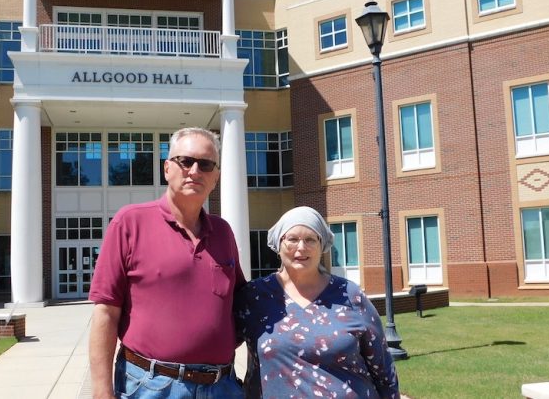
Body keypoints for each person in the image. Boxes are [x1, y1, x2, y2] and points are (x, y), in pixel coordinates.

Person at [88, 127, 246, 399]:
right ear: (167, 169)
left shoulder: (223, 232)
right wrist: (102, 392)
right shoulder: (130, 223)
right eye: (185, 161)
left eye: (205, 164)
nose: (194, 171)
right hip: (152, 386)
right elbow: (105, 313)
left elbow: (241, 302)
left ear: (216, 177)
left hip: (222, 386)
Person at [235, 206, 400, 398]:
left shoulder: (349, 295)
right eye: (293, 239)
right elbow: (217, 344)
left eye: (310, 240)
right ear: (278, 245)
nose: (301, 247)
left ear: (322, 246)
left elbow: (383, 370)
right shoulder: (254, 297)